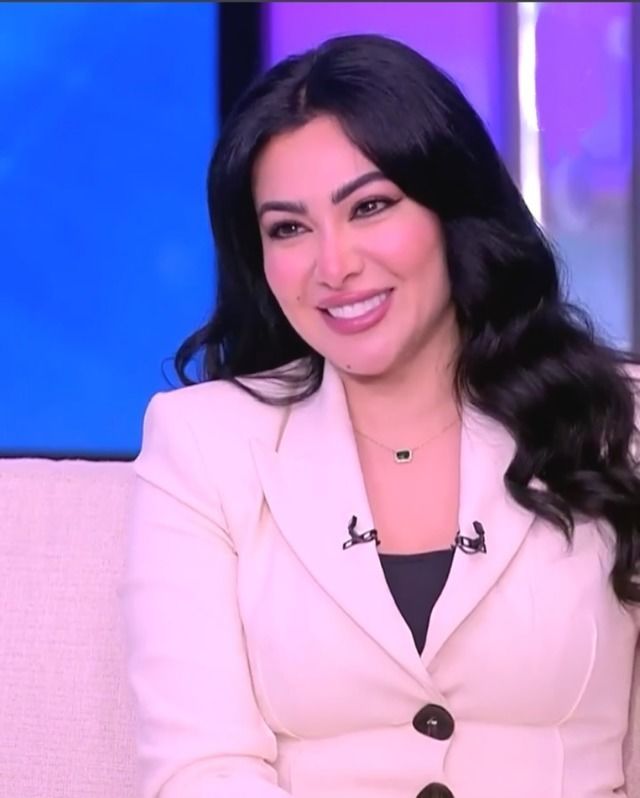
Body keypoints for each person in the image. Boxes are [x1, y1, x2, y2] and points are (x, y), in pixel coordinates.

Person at [120, 33, 640, 798]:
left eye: (370, 207)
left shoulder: (618, 420)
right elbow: (200, 771)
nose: (334, 266)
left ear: (451, 209)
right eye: (289, 228)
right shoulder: (203, 443)